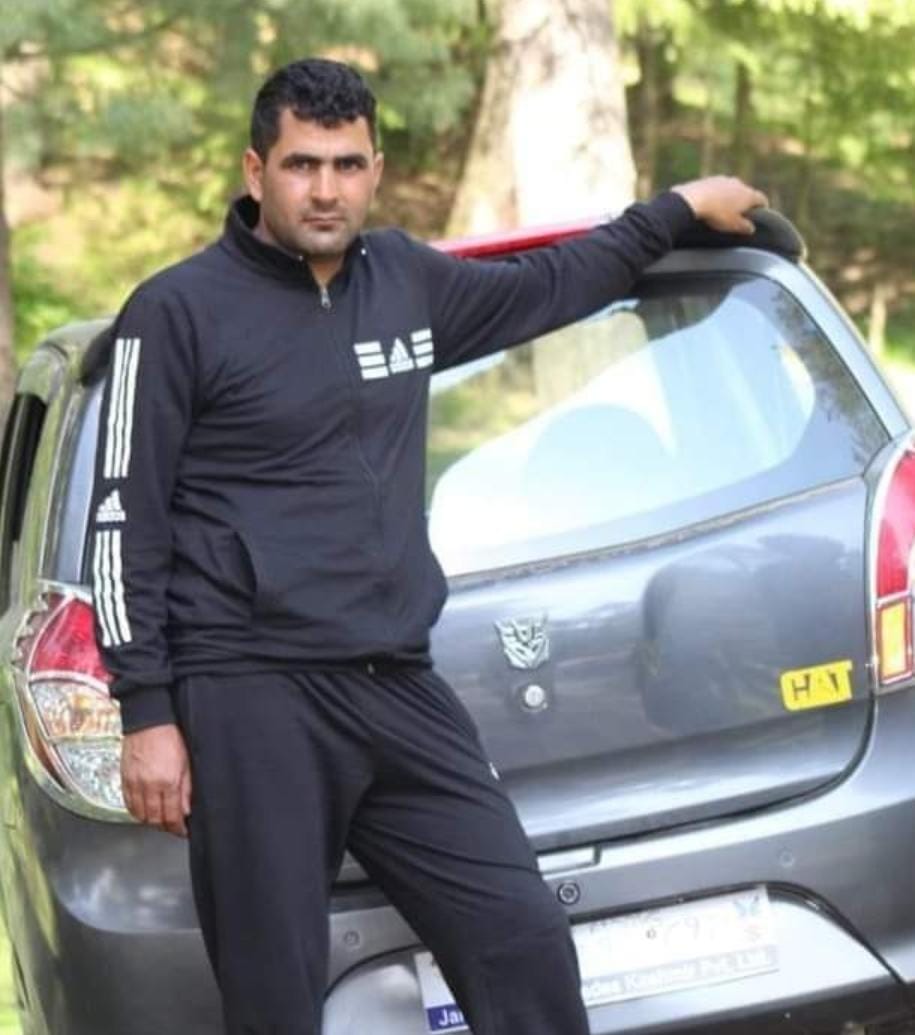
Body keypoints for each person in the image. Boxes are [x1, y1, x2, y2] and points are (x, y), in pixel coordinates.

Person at [87, 56, 767, 1035]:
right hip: (252, 693)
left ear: (376, 170)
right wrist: (147, 709)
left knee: (520, 934)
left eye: (347, 165)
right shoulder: (176, 312)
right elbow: (123, 520)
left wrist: (674, 209)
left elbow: (552, 283)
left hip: (396, 682)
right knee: (274, 995)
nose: (326, 189)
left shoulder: (404, 280)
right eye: (302, 165)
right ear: (255, 171)